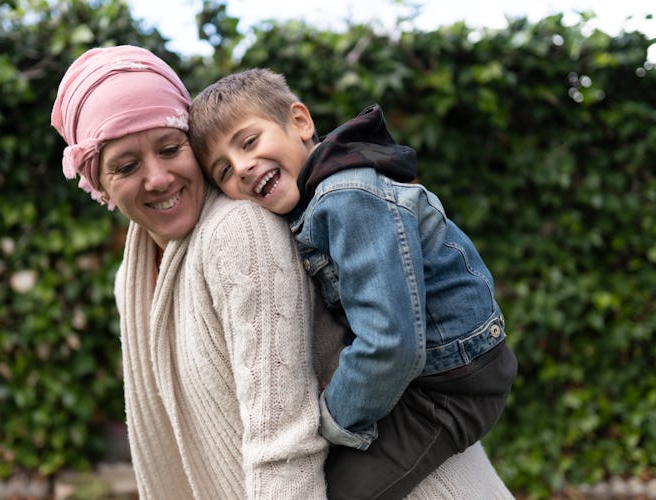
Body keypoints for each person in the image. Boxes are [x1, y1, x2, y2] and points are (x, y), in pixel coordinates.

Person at [51, 45, 515, 500]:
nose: (157, 178)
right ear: (98, 185)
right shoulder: (137, 275)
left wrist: (330, 420)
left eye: (170, 148)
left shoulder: (251, 226)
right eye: (126, 166)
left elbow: (290, 431)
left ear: (300, 120)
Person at [188, 68, 518, 497]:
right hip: (437, 374)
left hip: (452, 386)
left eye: (249, 142)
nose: (243, 167)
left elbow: (389, 342)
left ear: (301, 122)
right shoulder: (317, 197)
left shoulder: (346, 198)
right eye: (223, 172)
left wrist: (328, 420)